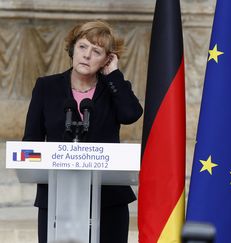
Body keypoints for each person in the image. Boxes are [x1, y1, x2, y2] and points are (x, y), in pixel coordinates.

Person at [22, 20, 143, 243]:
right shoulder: (46, 87)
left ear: (107, 59)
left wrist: (114, 75)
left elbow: (131, 114)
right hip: (58, 200)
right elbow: (31, 141)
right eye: (82, 47)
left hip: (108, 201)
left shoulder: (113, 89)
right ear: (72, 49)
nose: (87, 55)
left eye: (96, 51)